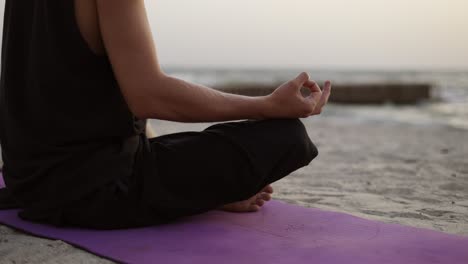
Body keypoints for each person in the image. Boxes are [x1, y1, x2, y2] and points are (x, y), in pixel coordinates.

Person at [0, 0, 331, 229]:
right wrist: (266, 105)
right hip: (91, 191)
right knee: (286, 137)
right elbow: (148, 95)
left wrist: (199, 187)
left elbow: (98, 100)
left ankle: (197, 193)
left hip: (28, 182)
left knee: (176, 152)